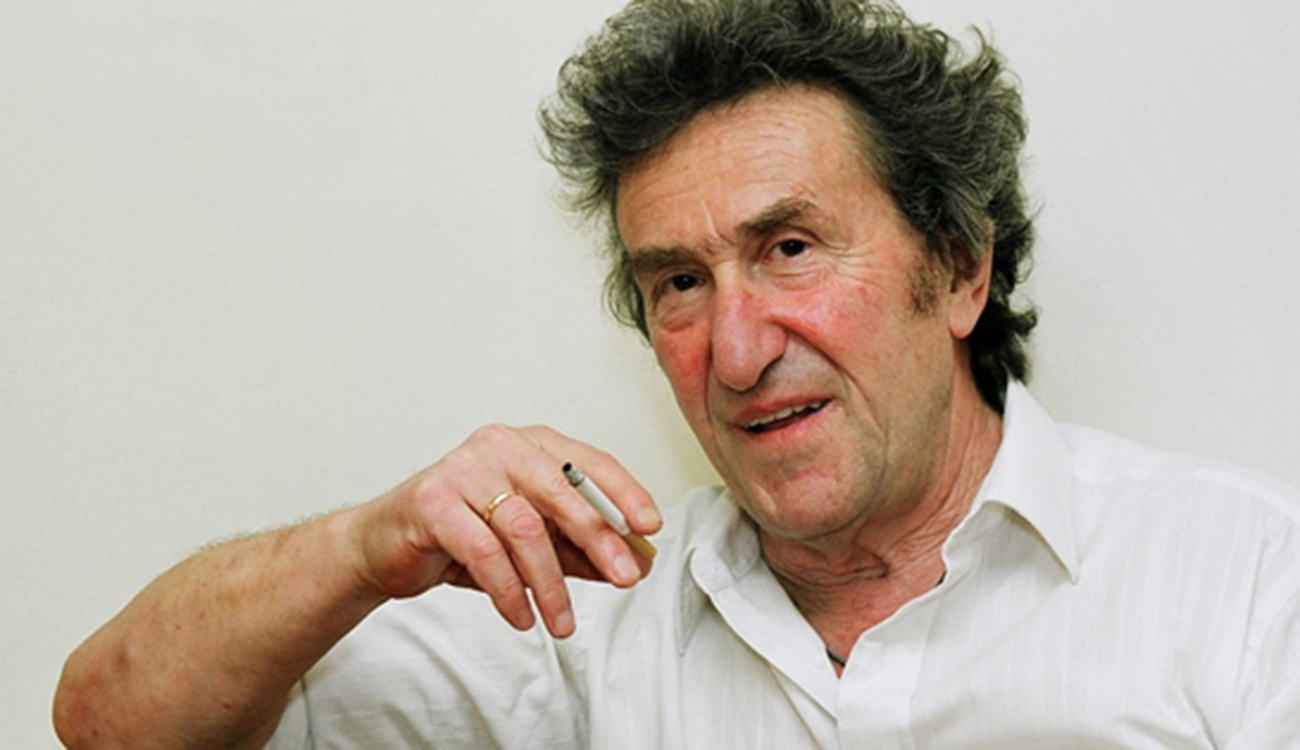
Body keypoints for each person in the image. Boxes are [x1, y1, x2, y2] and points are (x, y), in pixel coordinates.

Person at [54, 0, 1300, 747]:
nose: (738, 351)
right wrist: (363, 547)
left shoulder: (1245, 579)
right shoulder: (585, 621)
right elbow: (111, 724)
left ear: (960, 266)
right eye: (678, 285)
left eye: (790, 249)